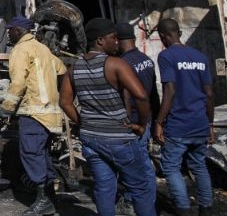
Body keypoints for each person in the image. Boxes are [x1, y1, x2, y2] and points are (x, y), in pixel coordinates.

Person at [59, 18, 156, 216]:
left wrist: (82, 123)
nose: (117, 42)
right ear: (101, 40)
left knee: (104, 188)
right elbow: (141, 95)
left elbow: (65, 103)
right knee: (140, 188)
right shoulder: (115, 64)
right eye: (113, 38)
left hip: (91, 139)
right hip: (119, 138)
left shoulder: (73, 69)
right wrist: (141, 124)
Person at [0, 16, 66, 216]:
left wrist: (7, 107)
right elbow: (62, 70)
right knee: (42, 154)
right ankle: (49, 196)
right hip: (49, 112)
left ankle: (44, 200)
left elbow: (18, 82)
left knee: (30, 153)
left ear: (18, 31)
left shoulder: (20, 50)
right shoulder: (43, 48)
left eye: (10, 30)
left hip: (33, 111)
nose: (8, 34)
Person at [154, 18, 215, 216]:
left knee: (171, 167)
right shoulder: (200, 57)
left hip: (179, 124)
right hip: (199, 122)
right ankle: (206, 209)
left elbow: (170, 90)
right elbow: (209, 94)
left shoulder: (166, 56)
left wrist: (159, 121)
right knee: (199, 166)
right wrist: (210, 124)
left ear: (162, 36)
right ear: (179, 32)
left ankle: (183, 210)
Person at [116, 21, 160, 215]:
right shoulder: (146, 59)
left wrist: (127, 122)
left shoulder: (122, 64)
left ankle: (135, 201)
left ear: (116, 41)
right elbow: (153, 95)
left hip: (134, 121)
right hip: (147, 118)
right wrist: (157, 120)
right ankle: (147, 199)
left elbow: (126, 95)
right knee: (143, 161)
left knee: (136, 165)